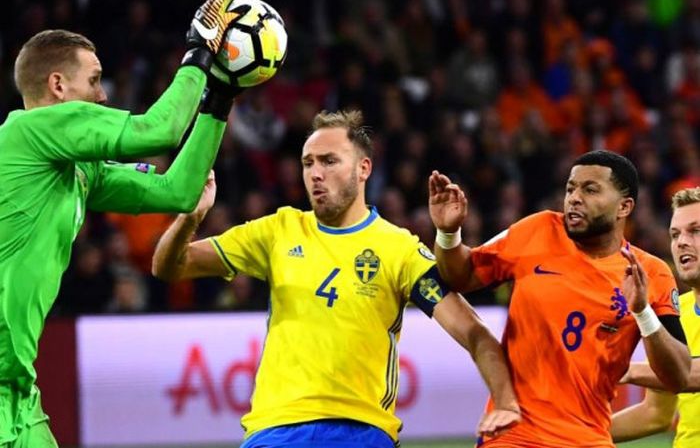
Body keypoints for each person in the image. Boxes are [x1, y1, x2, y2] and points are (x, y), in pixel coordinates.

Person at [152, 110, 521, 448]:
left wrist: (505, 403)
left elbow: (474, 333)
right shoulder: (279, 231)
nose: (315, 173)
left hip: (359, 431)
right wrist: (189, 217)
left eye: (329, 161)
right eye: (308, 163)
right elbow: (169, 266)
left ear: (364, 169)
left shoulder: (398, 250)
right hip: (275, 430)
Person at [0, 0, 244, 447]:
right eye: (93, 80)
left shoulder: (77, 169)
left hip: (16, 383)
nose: (103, 92)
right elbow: (160, 129)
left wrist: (220, 98)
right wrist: (198, 50)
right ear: (58, 86)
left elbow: (179, 190)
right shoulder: (28, 131)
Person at [428, 149, 691, 448]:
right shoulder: (537, 230)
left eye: (590, 189)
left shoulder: (650, 273)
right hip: (513, 435)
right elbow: (461, 276)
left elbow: (678, 376)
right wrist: (449, 234)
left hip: (589, 438)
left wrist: (643, 312)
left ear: (624, 206)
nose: (574, 198)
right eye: (570, 188)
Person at [611, 187, 700, 447]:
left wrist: (624, 369)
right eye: (675, 234)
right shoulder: (674, 314)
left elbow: (691, 375)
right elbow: (655, 414)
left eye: (696, 230)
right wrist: (572, 434)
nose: (681, 241)